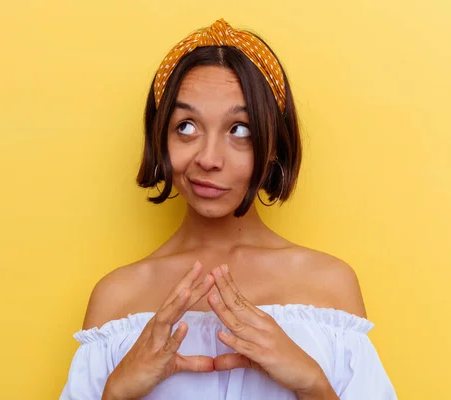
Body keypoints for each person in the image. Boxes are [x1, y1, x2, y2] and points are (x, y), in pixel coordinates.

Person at [60, 19, 397, 400]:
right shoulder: (117, 298)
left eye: (240, 130)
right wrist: (116, 394)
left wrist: (314, 386)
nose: (209, 158)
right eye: (186, 126)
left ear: (273, 145)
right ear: (160, 136)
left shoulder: (328, 285)